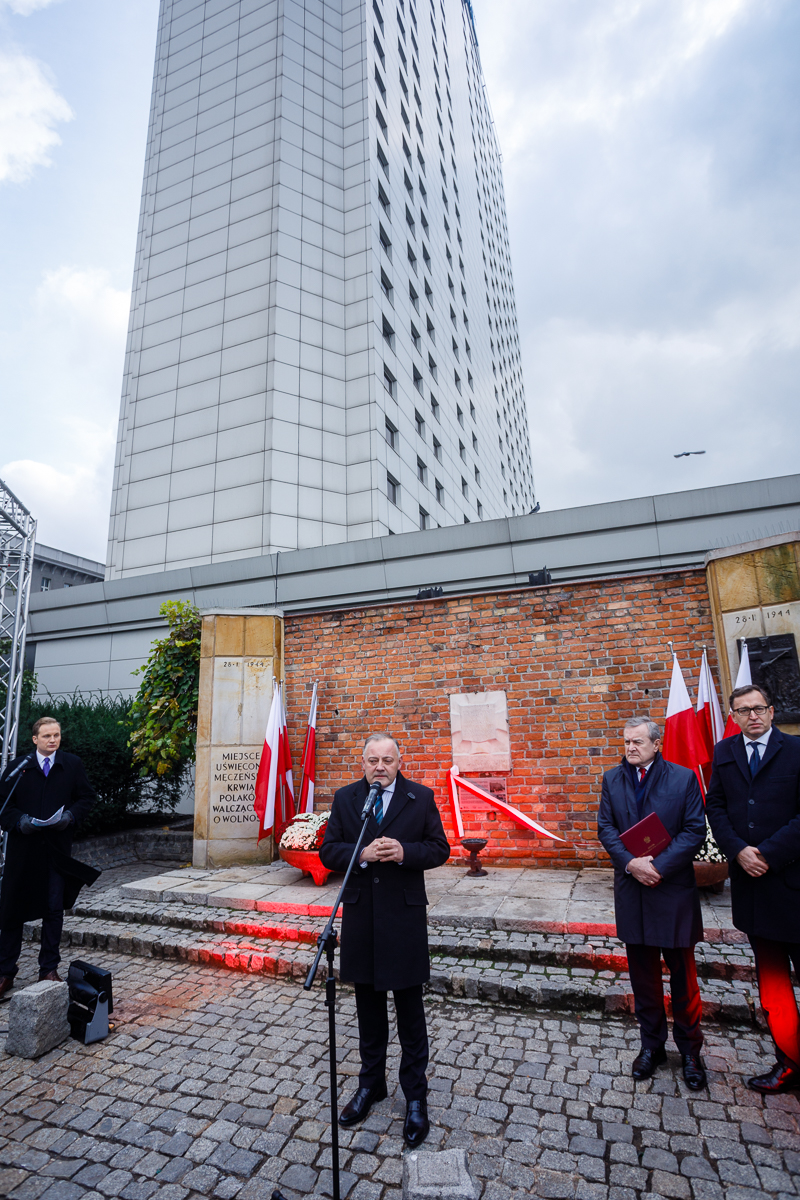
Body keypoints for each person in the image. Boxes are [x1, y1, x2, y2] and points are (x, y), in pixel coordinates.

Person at [319, 733, 450, 1147]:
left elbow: (439, 849)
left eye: (387, 760)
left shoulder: (420, 797)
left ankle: (415, 1097)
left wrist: (404, 852)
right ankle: (371, 1084)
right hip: (362, 919)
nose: (380, 766)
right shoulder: (346, 799)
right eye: (373, 760)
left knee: (410, 1014)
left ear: (399, 762)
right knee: (369, 1012)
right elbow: (328, 851)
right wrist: (361, 855)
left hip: (404, 919)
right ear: (363, 763)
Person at [598, 716, 708, 1089]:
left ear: (656, 744)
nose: (630, 747)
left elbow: (694, 829)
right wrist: (631, 863)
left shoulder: (682, 778)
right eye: (626, 742)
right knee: (643, 977)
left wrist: (657, 867)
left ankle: (691, 1052)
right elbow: (606, 828)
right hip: (634, 891)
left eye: (638, 742)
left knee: (683, 978)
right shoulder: (612, 779)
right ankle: (652, 1046)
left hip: (672, 888)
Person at [706, 683, 800, 1094]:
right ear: (735, 717)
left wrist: (768, 853)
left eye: (758, 708)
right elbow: (716, 807)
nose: (753, 716)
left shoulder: (795, 750)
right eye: (743, 711)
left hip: (792, 881)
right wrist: (739, 851)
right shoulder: (725, 752)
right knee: (774, 986)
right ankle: (790, 1062)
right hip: (753, 890)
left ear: (772, 711)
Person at [0, 716, 98, 997]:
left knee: (53, 909)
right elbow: (3, 805)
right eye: (46, 736)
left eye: (56, 735)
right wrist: (20, 821)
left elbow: (87, 798)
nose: (53, 740)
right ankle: (5, 972)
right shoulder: (19, 767)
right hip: (22, 851)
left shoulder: (72, 764)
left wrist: (70, 816)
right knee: (12, 910)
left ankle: (48, 969)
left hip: (55, 850)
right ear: (35, 739)